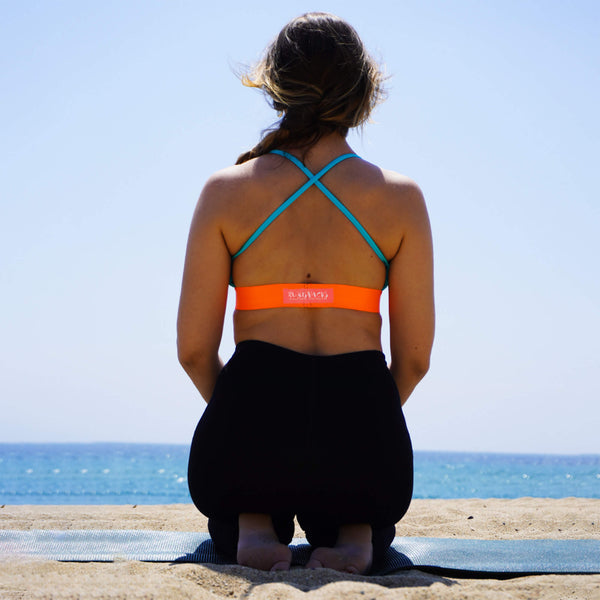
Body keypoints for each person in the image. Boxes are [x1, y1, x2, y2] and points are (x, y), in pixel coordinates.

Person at [177, 12, 434, 575]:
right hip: (360, 435)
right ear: (362, 91)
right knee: (359, 495)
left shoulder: (225, 193)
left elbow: (195, 352)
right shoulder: (401, 199)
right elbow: (413, 360)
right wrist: (356, 431)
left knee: (247, 475)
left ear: (276, 86)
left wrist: (250, 426)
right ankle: (354, 533)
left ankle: (253, 520)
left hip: (252, 427)